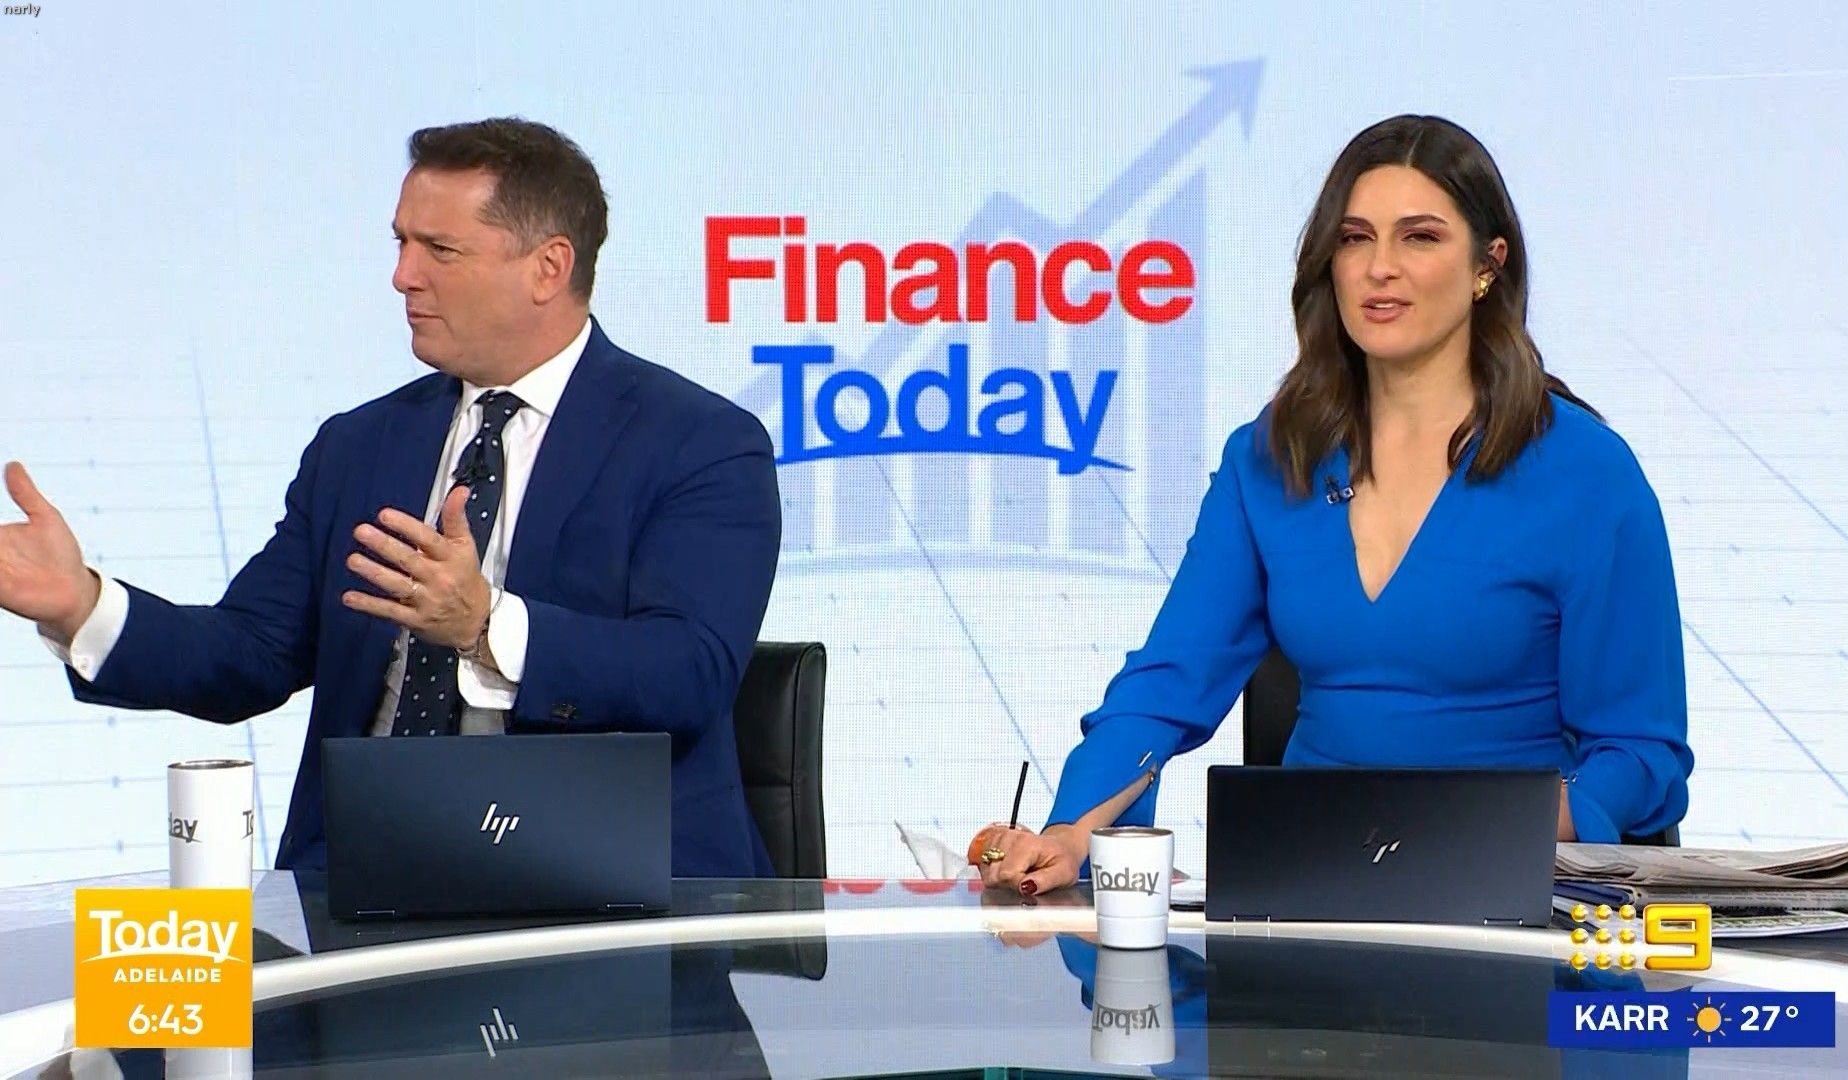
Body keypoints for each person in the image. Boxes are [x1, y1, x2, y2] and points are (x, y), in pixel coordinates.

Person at [0, 118, 781, 877]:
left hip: (604, 888)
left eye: (440, 249)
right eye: (401, 243)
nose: (403, 276)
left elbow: (691, 669)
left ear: (548, 268)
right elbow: (249, 653)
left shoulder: (700, 442)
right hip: (360, 882)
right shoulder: (361, 445)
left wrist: (485, 626)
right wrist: (82, 607)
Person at [976, 114, 1691, 896]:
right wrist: (1069, 831)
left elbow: (1637, 751)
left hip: (1516, 889)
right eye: (1355, 239)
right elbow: (1169, 683)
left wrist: (1481, 831)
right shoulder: (1270, 458)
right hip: (1312, 886)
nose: (1380, 268)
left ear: (1487, 266)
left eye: (1419, 238)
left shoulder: (1587, 474)